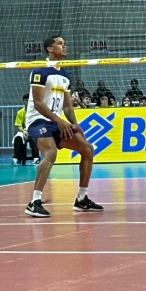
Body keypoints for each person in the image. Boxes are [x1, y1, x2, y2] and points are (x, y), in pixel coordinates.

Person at [23, 36, 102, 216]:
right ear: (50, 49)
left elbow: (67, 106)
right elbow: (38, 103)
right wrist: (59, 121)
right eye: (60, 44)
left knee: (87, 149)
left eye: (64, 44)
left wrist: (75, 125)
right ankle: (34, 202)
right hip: (37, 120)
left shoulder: (65, 75)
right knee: (51, 153)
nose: (64, 46)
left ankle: (82, 199)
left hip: (56, 121)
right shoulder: (40, 70)